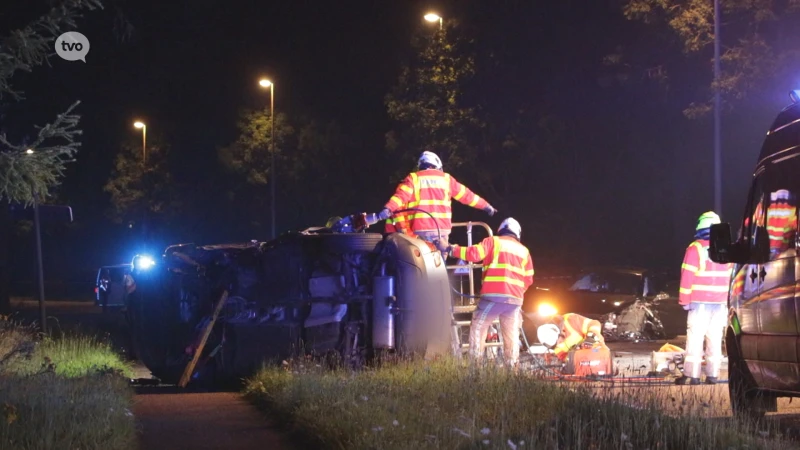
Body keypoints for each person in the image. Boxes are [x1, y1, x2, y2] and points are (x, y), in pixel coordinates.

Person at [437, 217, 533, 366]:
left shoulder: (493, 241)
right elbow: (528, 279)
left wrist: (451, 248)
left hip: (494, 297)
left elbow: (474, 254)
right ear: (517, 234)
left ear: (501, 230)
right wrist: (515, 292)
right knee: (512, 335)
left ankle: (475, 369)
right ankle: (512, 371)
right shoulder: (524, 251)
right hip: (515, 301)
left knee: (478, 326)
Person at [371, 150, 497, 246]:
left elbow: (400, 197)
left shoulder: (413, 178)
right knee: (440, 262)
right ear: (437, 165)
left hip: (420, 230)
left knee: (423, 263)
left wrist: (387, 209)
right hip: (442, 230)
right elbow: (468, 196)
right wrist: (486, 206)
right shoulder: (446, 179)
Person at [675, 211, 732, 385]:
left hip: (699, 302)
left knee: (695, 338)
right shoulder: (726, 249)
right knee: (715, 338)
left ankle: (692, 376)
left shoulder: (696, 248)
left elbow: (687, 277)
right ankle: (713, 375)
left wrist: (684, 300)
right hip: (721, 303)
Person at [537, 313, 605, 361]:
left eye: (558, 341)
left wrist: (592, 335)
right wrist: (574, 356)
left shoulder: (570, 320)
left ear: (560, 332)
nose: (558, 345)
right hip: (584, 365)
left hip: (597, 351)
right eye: (555, 345)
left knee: (597, 351)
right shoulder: (557, 349)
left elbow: (594, 323)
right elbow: (568, 361)